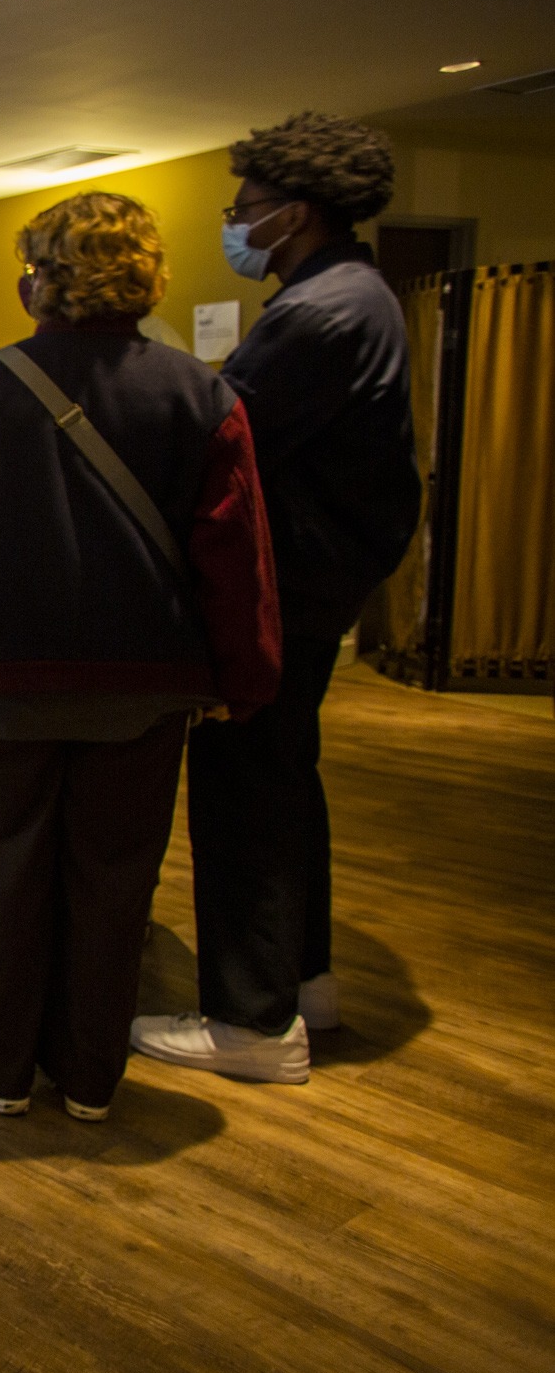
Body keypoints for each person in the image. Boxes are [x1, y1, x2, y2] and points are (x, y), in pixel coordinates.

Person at [0, 192, 281, 1120]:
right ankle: (93, 1075)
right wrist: (245, 678)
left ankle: (0, 1066)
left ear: (38, 280)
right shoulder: (203, 395)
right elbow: (235, 554)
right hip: (141, 685)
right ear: (147, 277)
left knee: (4, 874)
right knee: (113, 884)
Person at [132, 113, 419, 1084]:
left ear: (292, 214)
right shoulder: (357, 294)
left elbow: (221, 435)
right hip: (322, 579)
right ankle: (308, 981)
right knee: (288, 779)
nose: (234, 223)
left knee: (244, 791)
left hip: (285, 587)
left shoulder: (319, 313)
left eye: (243, 210)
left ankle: (252, 1023)